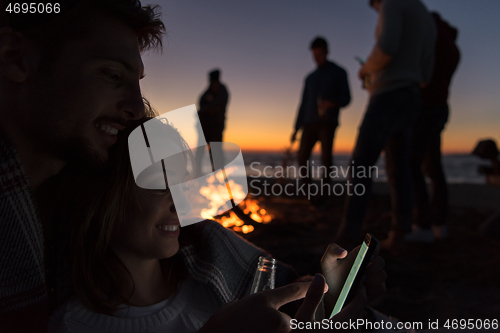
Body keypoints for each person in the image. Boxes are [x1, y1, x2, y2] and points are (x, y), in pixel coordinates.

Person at [50, 117, 387, 333]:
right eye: (157, 184)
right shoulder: (73, 324)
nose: (179, 201)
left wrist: (329, 299)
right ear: (101, 198)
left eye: (181, 183)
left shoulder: (216, 273)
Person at [0, 1, 164, 331]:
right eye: (112, 74)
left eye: (138, 83)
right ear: (15, 58)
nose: (136, 108)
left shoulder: (90, 198)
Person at [336, 0, 436, 251]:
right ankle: (400, 231)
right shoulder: (424, 13)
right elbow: (426, 71)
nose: (374, 8)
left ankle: (348, 234)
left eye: (373, 5)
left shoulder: (392, 3)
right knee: (399, 167)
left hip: (388, 96)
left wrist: (367, 71)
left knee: (361, 164)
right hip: (412, 95)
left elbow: (388, 46)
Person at [407, 12, 460, 242]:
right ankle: (440, 223)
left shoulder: (428, 33)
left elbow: (420, 75)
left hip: (426, 107)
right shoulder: (447, 41)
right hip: (439, 106)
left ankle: (423, 224)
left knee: (412, 163)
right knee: (433, 165)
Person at [291, 37, 351, 196]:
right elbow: (303, 104)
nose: (316, 58)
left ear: (326, 52)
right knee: (302, 157)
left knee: (326, 159)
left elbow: (347, 98)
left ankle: (324, 194)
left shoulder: (339, 72)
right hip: (309, 123)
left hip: (327, 123)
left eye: (319, 54)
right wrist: (296, 128)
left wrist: (331, 103)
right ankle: (309, 192)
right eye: (314, 55)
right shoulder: (310, 78)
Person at [195, 69, 229, 176]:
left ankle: (218, 175)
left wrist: (206, 108)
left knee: (216, 151)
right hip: (204, 126)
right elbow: (201, 102)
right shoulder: (208, 91)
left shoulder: (222, 90)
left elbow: (217, 105)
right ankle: (197, 174)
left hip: (216, 126)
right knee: (200, 151)